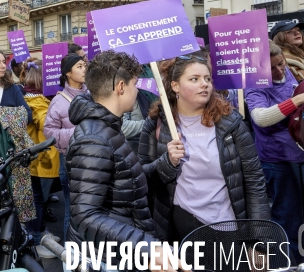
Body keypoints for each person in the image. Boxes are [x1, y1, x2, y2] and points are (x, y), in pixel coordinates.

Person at [138, 53, 270, 243]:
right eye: (194, 79)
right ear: (175, 86)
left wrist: (260, 243)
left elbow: (254, 182)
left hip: (228, 228)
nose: (204, 84)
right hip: (181, 229)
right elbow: (143, 177)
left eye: (207, 79)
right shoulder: (157, 122)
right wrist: (167, 162)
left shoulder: (230, 123)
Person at [67, 51, 182, 270]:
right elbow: (85, 215)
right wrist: (148, 247)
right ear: (121, 87)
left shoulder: (106, 127)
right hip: (106, 259)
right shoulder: (94, 139)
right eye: (135, 84)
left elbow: (125, 181)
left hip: (119, 250)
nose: (137, 90)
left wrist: (166, 163)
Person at [245, 42, 304, 268]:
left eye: (281, 64)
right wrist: (297, 100)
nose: (280, 70)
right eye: (272, 68)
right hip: (277, 161)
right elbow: (260, 118)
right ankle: (290, 265)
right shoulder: (254, 86)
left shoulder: (288, 71)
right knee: (287, 220)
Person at [43, 53, 86, 242]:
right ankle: (70, 258)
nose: (84, 69)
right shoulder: (58, 101)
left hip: (93, 160)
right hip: (70, 162)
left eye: (84, 65)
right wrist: (79, 132)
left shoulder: (93, 95)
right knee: (72, 210)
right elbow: (49, 133)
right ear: (68, 73)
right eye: (79, 66)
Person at [20, 58, 60, 258]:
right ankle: (36, 239)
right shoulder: (35, 101)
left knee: (38, 200)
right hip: (38, 158)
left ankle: (40, 232)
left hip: (37, 158)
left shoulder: (36, 98)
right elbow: (47, 125)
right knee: (36, 200)